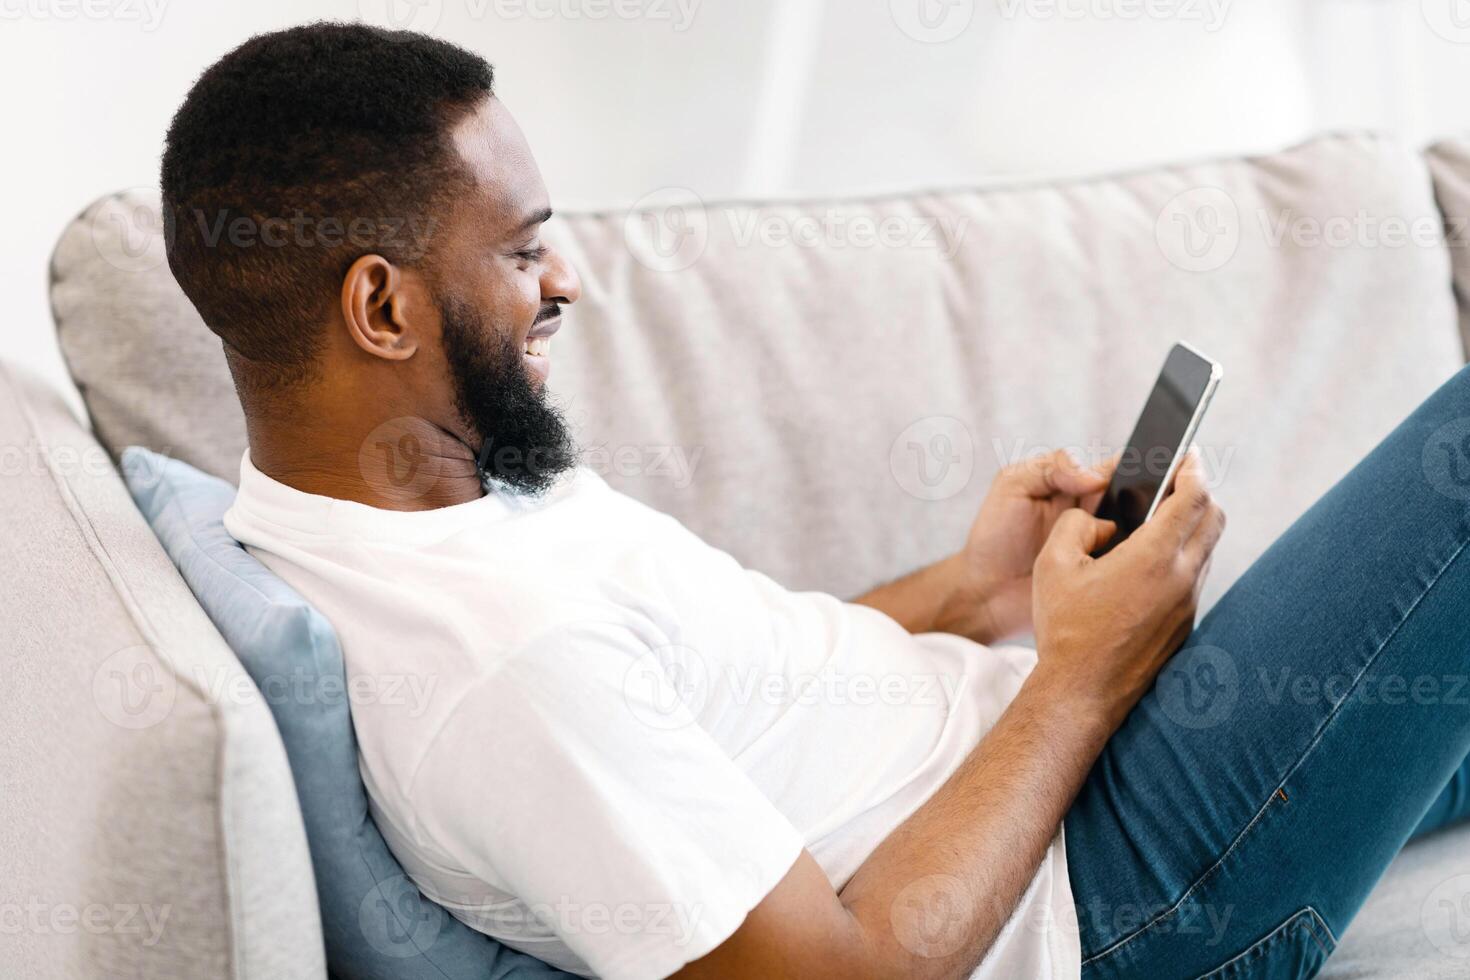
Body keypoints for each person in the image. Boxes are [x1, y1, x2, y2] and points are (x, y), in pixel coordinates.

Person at [159, 23, 1470, 980]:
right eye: (517, 248)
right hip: (1122, 896)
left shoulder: (404, 506)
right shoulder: (495, 671)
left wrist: (973, 595)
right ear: (380, 307)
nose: (563, 281)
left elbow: (691, 699)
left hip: (1063, 784)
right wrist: (1081, 672)